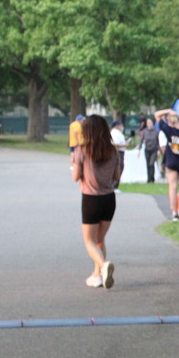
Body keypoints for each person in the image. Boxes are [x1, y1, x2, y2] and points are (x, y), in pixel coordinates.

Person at [72, 115, 122, 289]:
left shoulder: (81, 150)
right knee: (100, 239)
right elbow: (116, 176)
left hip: (90, 199)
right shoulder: (113, 151)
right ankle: (97, 276)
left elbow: (75, 176)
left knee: (89, 241)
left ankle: (103, 265)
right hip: (109, 199)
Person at [140, 117, 161, 183]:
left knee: (151, 163)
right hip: (147, 149)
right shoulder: (144, 131)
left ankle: (152, 178)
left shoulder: (156, 132)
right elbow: (141, 140)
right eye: (148, 123)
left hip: (154, 149)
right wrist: (139, 149)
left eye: (150, 123)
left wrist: (159, 150)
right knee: (148, 164)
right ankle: (149, 179)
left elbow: (158, 141)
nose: (149, 124)